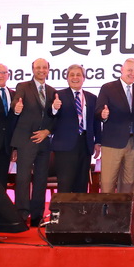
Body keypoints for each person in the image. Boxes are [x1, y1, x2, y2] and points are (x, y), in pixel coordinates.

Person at [11, 58, 56, 227]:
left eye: (44, 67)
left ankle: (37, 216)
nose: (41, 70)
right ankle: (21, 215)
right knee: (23, 179)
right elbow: (17, 102)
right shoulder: (23, 87)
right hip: (26, 140)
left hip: (44, 141)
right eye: (38, 67)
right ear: (33, 69)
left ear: (48, 70)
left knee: (41, 179)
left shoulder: (52, 91)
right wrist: (16, 108)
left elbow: (54, 116)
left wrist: (47, 131)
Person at [95, 58, 134, 194]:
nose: (132, 74)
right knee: (108, 184)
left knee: (129, 185)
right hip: (112, 143)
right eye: (129, 70)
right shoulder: (108, 88)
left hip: (133, 144)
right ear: (122, 70)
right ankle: (106, 209)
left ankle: (125, 209)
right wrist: (103, 114)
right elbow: (98, 111)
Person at [51, 64, 101, 193]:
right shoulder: (58, 95)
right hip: (64, 147)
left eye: (78, 75)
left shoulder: (92, 97)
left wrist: (97, 142)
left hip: (85, 144)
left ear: (84, 78)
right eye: (72, 75)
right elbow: (50, 117)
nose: (75, 77)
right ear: (67, 78)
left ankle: (80, 207)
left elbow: (95, 121)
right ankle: (63, 207)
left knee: (82, 184)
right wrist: (54, 108)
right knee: (65, 184)